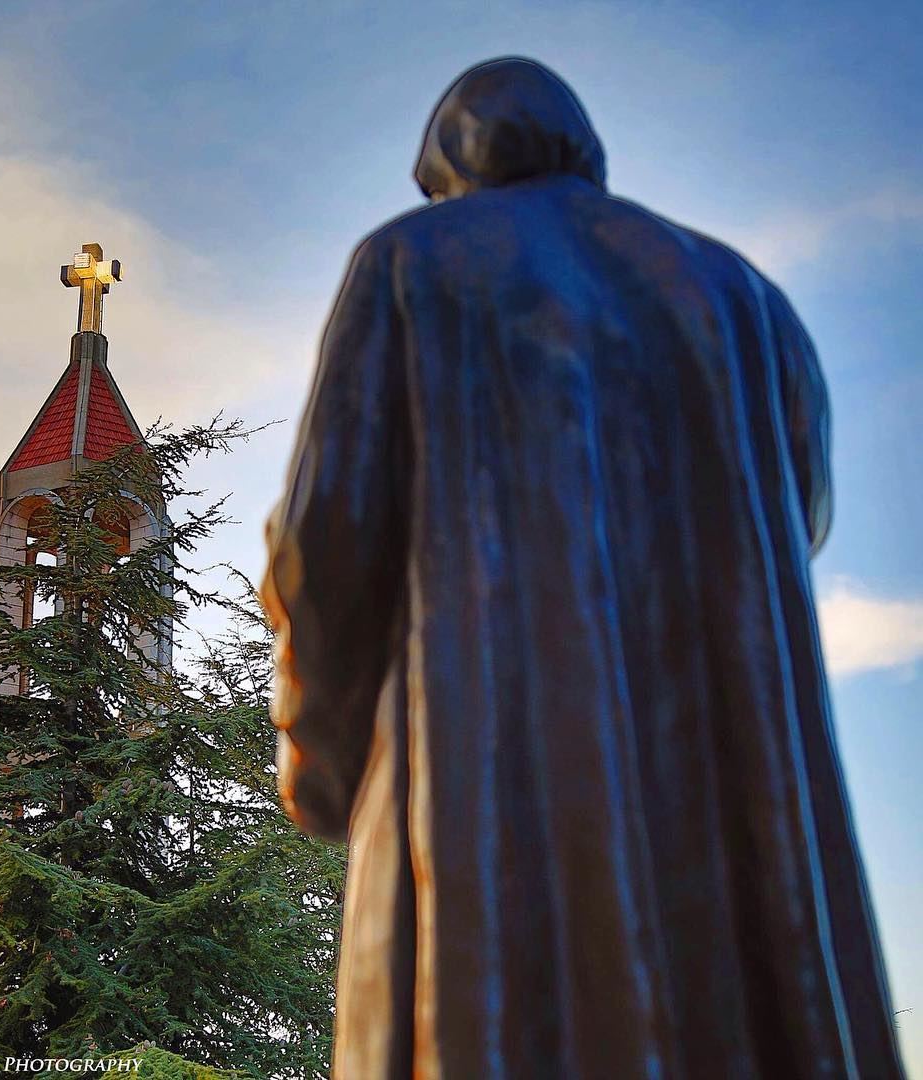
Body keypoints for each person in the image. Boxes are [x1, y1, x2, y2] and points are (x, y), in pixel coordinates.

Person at [260, 56, 906, 1079]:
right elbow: (802, 521)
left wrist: (327, 763)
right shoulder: (751, 303)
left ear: (452, 164)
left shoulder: (411, 264)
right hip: (732, 798)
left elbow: (324, 542)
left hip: (487, 777)